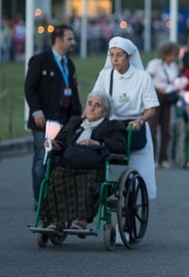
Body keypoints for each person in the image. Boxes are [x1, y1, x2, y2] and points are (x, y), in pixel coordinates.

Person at [42, 92, 127, 231]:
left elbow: (120, 146)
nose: (92, 108)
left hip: (95, 169)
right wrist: (55, 145)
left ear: (105, 112)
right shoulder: (75, 122)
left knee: (88, 179)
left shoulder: (112, 126)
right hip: (70, 166)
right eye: (90, 104)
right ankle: (58, 221)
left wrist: (97, 142)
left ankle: (82, 221)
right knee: (57, 174)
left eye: (97, 105)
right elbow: (61, 139)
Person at [92, 36, 159, 199]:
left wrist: (140, 120)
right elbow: (95, 99)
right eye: (112, 55)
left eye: (119, 55)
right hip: (112, 126)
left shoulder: (142, 77)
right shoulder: (105, 76)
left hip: (134, 126)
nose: (114, 59)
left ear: (129, 56)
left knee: (136, 169)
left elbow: (152, 108)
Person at [25, 24, 83, 205]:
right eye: (69, 39)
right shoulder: (40, 61)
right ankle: (40, 200)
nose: (73, 42)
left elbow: (73, 93)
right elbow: (30, 87)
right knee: (42, 157)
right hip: (43, 120)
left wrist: (79, 119)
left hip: (64, 121)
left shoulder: (69, 64)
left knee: (60, 160)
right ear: (58, 40)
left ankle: (56, 197)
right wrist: (36, 111)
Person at [146, 41, 181, 169]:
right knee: (153, 129)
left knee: (166, 129)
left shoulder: (173, 66)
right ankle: (153, 158)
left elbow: (175, 79)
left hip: (168, 97)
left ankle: (163, 157)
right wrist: (157, 88)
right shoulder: (155, 64)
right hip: (156, 96)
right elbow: (147, 78)